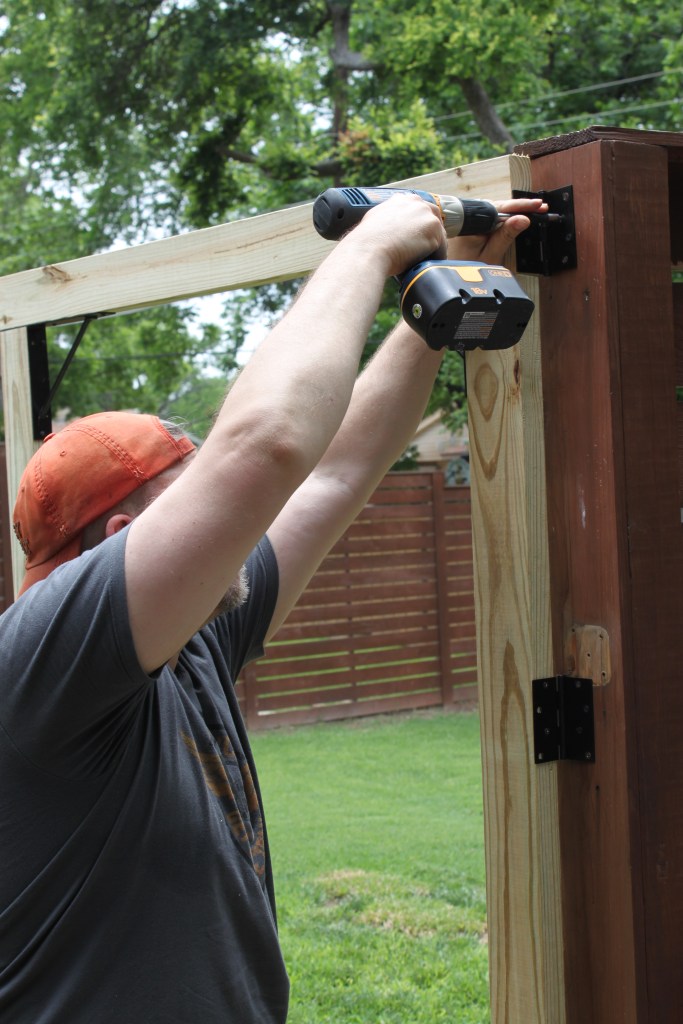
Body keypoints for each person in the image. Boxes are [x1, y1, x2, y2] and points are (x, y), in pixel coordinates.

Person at [0, 192, 544, 1023]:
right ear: (121, 538)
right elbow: (266, 448)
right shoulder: (45, 659)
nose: (238, 528)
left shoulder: (191, 641)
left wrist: (439, 309)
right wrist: (369, 248)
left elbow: (330, 469)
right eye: (203, 508)